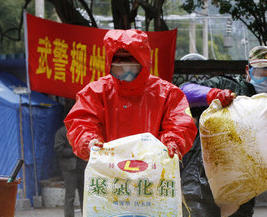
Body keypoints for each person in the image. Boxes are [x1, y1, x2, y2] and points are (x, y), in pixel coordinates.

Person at [180, 45, 267, 217]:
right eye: (261, 73)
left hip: (239, 196)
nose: (266, 80)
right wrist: (212, 95)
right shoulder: (225, 86)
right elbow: (184, 93)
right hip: (201, 185)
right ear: (248, 71)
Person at [65, 29, 197, 162]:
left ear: (144, 63)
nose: (126, 74)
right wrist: (90, 141)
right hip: (108, 168)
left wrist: (171, 143)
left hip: (155, 167)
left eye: (131, 67)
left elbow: (180, 125)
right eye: (119, 68)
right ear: (110, 64)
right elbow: (82, 123)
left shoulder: (168, 93)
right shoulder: (95, 92)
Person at [54, 125, 87, 217]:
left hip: (83, 167)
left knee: (85, 196)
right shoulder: (61, 132)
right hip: (69, 169)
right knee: (70, 196)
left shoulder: (81, 130)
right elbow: (58, 149)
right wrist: (75, 152)